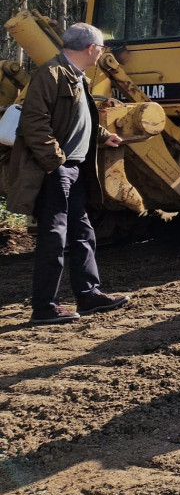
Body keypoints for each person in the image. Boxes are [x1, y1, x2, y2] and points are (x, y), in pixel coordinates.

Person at [8, 23, 131, 325]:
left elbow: (78, 117)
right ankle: (44, 308)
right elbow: (34, 125)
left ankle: (88, 294)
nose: (103, 52)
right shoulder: (49, 75)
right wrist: (56, 164)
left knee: (82, 233)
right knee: (54, 237)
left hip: (72, 168)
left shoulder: (76, 76)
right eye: (101, 47)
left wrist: (102, 136)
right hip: (56, 170)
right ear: (91, 48)